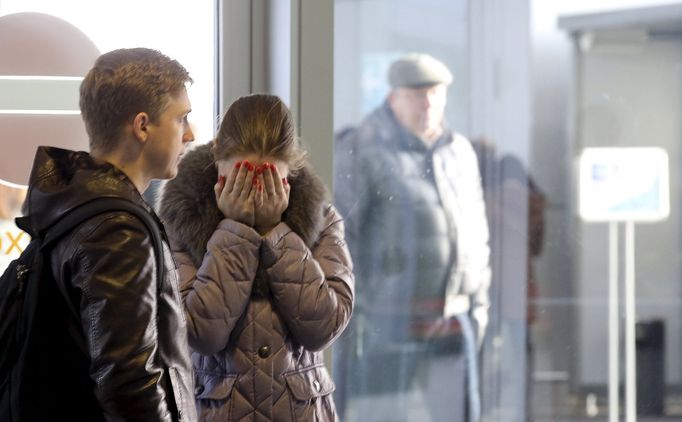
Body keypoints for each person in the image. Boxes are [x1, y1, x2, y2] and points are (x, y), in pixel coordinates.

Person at [19, 48, 197, 421]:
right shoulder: (117, 230)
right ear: (142, 126)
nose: (190, 135)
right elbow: (130, 383)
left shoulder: (75, 203)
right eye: (181, 119)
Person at [158, 93, 355, 421]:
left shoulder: (322, 220)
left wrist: (275, 233)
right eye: (238, 178)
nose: (254, 193)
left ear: (289, 171)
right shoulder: (180, 220)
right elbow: (200, 333)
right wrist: (235, 231)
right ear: (217, 152)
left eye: (268, 180)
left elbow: (324, 326)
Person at [333, 53, 491, 422]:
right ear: (393, 97)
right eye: (417, 94)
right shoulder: (363, 149)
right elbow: (343, 238)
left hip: (455, 318)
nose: (428, 103)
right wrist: (357, 313)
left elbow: (478, 233)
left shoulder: (460, 151)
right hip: (389, 322)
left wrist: (480, 305)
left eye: (435, 93)